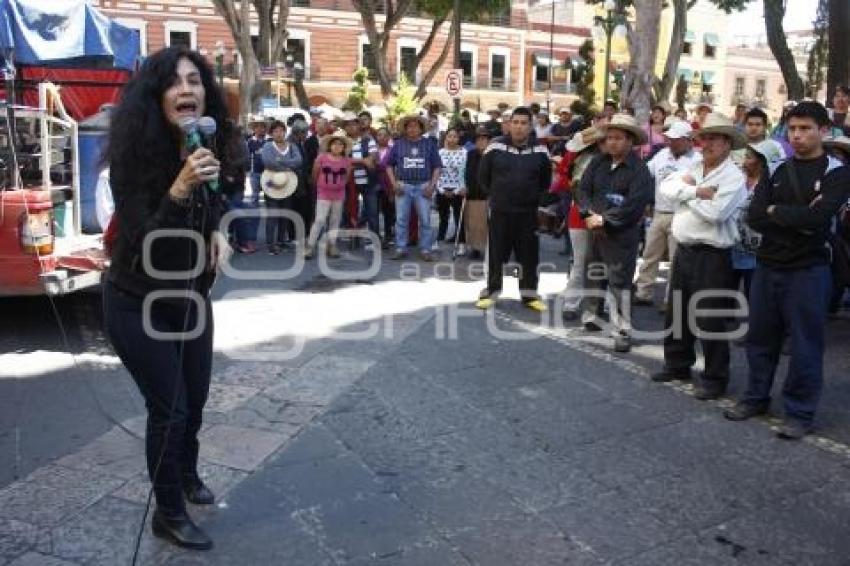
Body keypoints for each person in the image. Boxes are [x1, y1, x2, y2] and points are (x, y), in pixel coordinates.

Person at [103, 46, 237, 550]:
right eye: (174, 83)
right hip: (137, 302)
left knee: (196, 403)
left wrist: (217, 228)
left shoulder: (209, 142)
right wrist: (180, 185)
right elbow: (143, 240)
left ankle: (186, 473)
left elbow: (219, 199)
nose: (187, 89)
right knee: (172, 409)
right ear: (156, 98)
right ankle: (168, 512)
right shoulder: (133, 160)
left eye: (195, 80)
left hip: (191, 300)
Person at [724, 101, 850, 439]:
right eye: (793, 129)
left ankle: (800, 413)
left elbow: (819, 219)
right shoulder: (777, 169)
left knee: (806, 346)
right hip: (768, 266)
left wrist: (779, 212)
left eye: (806, 128)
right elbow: (756, 216)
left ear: (824, 131)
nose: (798, 135)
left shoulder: (836, 173)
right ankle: (755, 397)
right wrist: (794, 215)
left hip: (808, 270)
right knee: (760, 338)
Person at [651, 113, 747, 399]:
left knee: (709, 317)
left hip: (713, 254)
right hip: (685, 248)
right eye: (705, 137)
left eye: (715, 138)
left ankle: (716, 378)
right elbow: (666, 189)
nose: (707, 143)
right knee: (677, 311)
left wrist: (685, 195)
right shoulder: (694, 166)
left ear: (728, 143)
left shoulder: (734, 177)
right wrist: (697, 192)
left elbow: (717, 214)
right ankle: (677, 364)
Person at [575, 114, 653, 352]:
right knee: (593, 273)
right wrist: (588, 214)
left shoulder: (639, 169)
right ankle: (592, 316)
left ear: (630, 141)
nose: (612, 143)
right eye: (609, 138)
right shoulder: (598, 162)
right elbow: (582, 189)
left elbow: (636, 203)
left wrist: (606, 219)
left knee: (620, 282)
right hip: (594, 229)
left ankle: (623, 329)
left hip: (621, 234)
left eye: (618, 138)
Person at [476, 107, 552, 312]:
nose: (519, 127)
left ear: (530, 126)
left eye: (523, 123)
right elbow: (483, 177)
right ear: (509, 125)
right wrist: (496, 197)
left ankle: (529, 295)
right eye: (515, 122)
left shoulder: (541, 150)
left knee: (529, 255)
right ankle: (491, 291)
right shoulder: (495, 146)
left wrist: (537, 201)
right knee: (496, 253)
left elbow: (546, 181)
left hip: (528, 213)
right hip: (500, 211)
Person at [634, 120, 701, 307]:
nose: (670, 142)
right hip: (659, 212)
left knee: (675, 261)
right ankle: (643, 292)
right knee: (649, 255)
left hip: (682, 215)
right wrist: (646, 200)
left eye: (675, 139)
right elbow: (646, 175)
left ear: (688, 140)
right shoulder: (662, 155)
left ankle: (670, 299)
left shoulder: (698, 161)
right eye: (669, 138)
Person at [558, 127, 604, 320]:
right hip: (583, 215)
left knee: (596, 263)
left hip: (595, 215)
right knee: (582, 263)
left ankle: (590, 304)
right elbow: (571, 186)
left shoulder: (599, 159)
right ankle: (572, 303)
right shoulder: (581, 159)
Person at [733, 139, 786, 301]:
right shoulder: (736, 179)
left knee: (755, 298)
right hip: (732, 249)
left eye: (749, 157)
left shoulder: (775, 186)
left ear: (763, 162)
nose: (745, 161)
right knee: (725, 299)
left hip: (759, 255)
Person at [385, 113, 443, 261]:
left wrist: (432, 186)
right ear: (405, 129)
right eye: (409, 126)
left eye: (415, 126)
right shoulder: (398, 144)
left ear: (421, 128)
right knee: (401, 220)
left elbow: (437, 167)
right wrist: (394, 183)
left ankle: (425, 249)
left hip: (423, 186)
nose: (412, 129)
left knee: (425, 220)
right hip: (403, 186)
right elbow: (388, 166)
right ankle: (400, 248)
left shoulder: (429, 144)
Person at [306, 130, 353, 259]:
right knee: (320, 219)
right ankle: (310, 246)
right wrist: (320, 186)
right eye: (334, 143)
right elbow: (315, 174)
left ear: (344, 147)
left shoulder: (346, 161)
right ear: (329, 145)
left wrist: (340, 185)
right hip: (323, 193)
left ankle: (331, 245)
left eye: (340, 144)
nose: (337, 146)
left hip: (339, 194)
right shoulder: (322, 158)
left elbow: (347, 177)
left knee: (335, 220)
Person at [261, 120, 303, 254]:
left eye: (281, 130)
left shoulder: (291, 146)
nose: (279, 134)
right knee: (272, 214)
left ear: (285, 132)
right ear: (271, 133)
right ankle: (270, 244)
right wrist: (287, 165)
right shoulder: (268, 146)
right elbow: (268, 162)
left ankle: (281, 240)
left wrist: (281, 161)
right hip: (271, 182)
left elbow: (298, 161)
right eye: (276, 131)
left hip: (288, 183)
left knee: (285, 213)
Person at [344, 112, 380, 248]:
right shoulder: (342, 142)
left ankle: (374, 240)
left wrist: (354, 162)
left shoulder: (368, 140)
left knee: (372, 212)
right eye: (348, 125)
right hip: (350, 182)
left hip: (369, 182)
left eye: (354, 124)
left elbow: (373, 160)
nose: (351, 127)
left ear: (359, 126)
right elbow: (343, 161)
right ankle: (353, 239)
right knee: (350, 211)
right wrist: (362, 161)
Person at [436, 127, 467, 253]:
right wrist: (441, 189)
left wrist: (459, 189)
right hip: (442, 188)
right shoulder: (440, 153)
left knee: (459, 217)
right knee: (443, 217)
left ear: (458, 138)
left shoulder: (464, 152)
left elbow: (465, 172)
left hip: (458, 189)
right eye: (450, 136)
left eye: (455, 136)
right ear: (446, 137)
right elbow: (436, 172)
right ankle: (439, 240)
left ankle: (461, 244)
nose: (452, 139)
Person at [463, 126, 492, 260]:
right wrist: (464, 187)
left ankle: (488, 247)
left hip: (488, 195)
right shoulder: (471, 154)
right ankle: (475, 248)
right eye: (479, 140)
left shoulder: (492, 155)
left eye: (484, 139)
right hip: (473, 193)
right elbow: (466, 172)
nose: (482, 142)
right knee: (473, 224)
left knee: (486, 224)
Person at [375, 127, 396, 247]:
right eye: (379, 135)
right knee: (374, 211)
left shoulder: (393, 150)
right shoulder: (373, 150)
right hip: (374, 184)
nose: (382, 137)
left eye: (384, 135)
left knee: (388, 210)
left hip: (388, 184)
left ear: (389, 137)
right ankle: (376, 235)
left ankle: (388, 234)